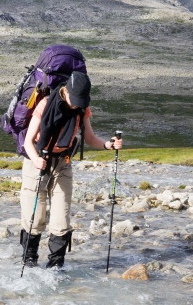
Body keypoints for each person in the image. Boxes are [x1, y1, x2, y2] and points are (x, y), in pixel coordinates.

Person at [20, 69, 122, 269]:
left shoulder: (82, 109)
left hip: (63, 163)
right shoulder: (44, 104)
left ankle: (56, 267)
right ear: (65, 91)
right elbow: (27, 142)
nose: (76, 103)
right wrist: (35, 159)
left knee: (61, 218)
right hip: (37, 162)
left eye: (80, 100)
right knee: (36, 216)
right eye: (74, 99)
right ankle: (29, 260)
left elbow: (90, 138)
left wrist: (108, 145)